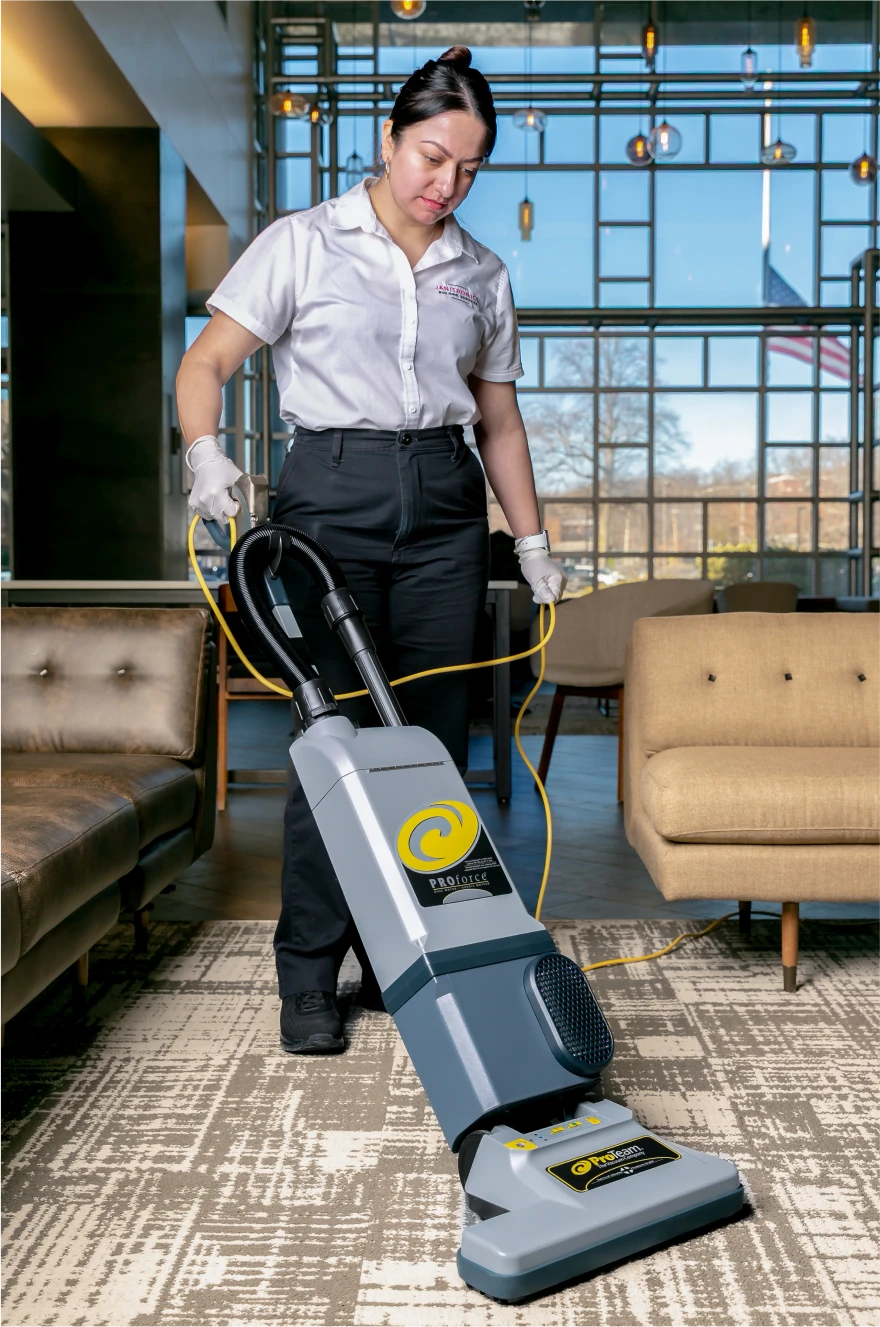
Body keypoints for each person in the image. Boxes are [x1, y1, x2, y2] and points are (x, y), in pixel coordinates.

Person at [175, 45, 566, 1056]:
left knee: (430, 753)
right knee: (337, 745)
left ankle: (406, 956)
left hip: (443, 508)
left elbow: (501, 424)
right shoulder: (304, 242)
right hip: (330, 504)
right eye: (432, 157)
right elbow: (207, 360)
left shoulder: (481, 273)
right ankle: (307, 973)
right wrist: (205, 451)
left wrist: (529, 539)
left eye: (469, 170)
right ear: (389, 140)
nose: (446, 185)